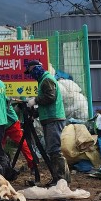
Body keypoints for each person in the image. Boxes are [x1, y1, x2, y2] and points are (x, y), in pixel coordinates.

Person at [25, 58, 70, 186]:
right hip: (50, 118)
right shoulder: (43, 80)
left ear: (36, 69)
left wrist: (36, 100)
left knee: (54, 150)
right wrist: (36, 113)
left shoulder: (47, 80)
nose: (31, 76)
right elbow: (48, 103)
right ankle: (59, 179)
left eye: (31, 72)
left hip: (54, 119)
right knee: (52, 150)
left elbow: (50, 97)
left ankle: (62, 180)